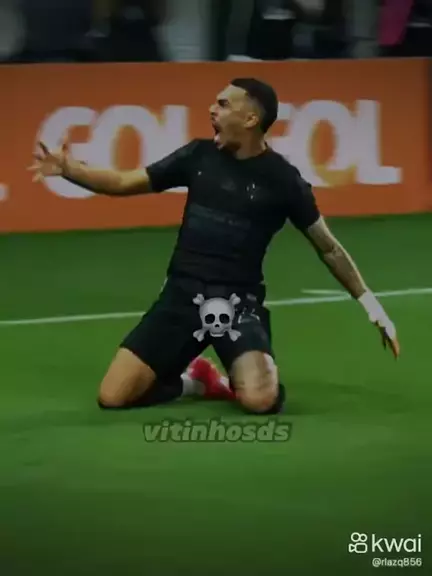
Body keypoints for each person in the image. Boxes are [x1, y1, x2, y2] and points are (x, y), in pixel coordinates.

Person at [29, 77, 400, 415]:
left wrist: (372, 307)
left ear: (251, 119)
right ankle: (196, 382)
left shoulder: (284, 182)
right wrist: (71, 170)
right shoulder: (198, 156)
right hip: (181, 295)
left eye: (223, 104)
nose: (212, 109)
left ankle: (247, 373)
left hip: (238, 303)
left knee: (260, 400)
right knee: (113, 397)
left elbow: (328, 247)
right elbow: (125, 182)